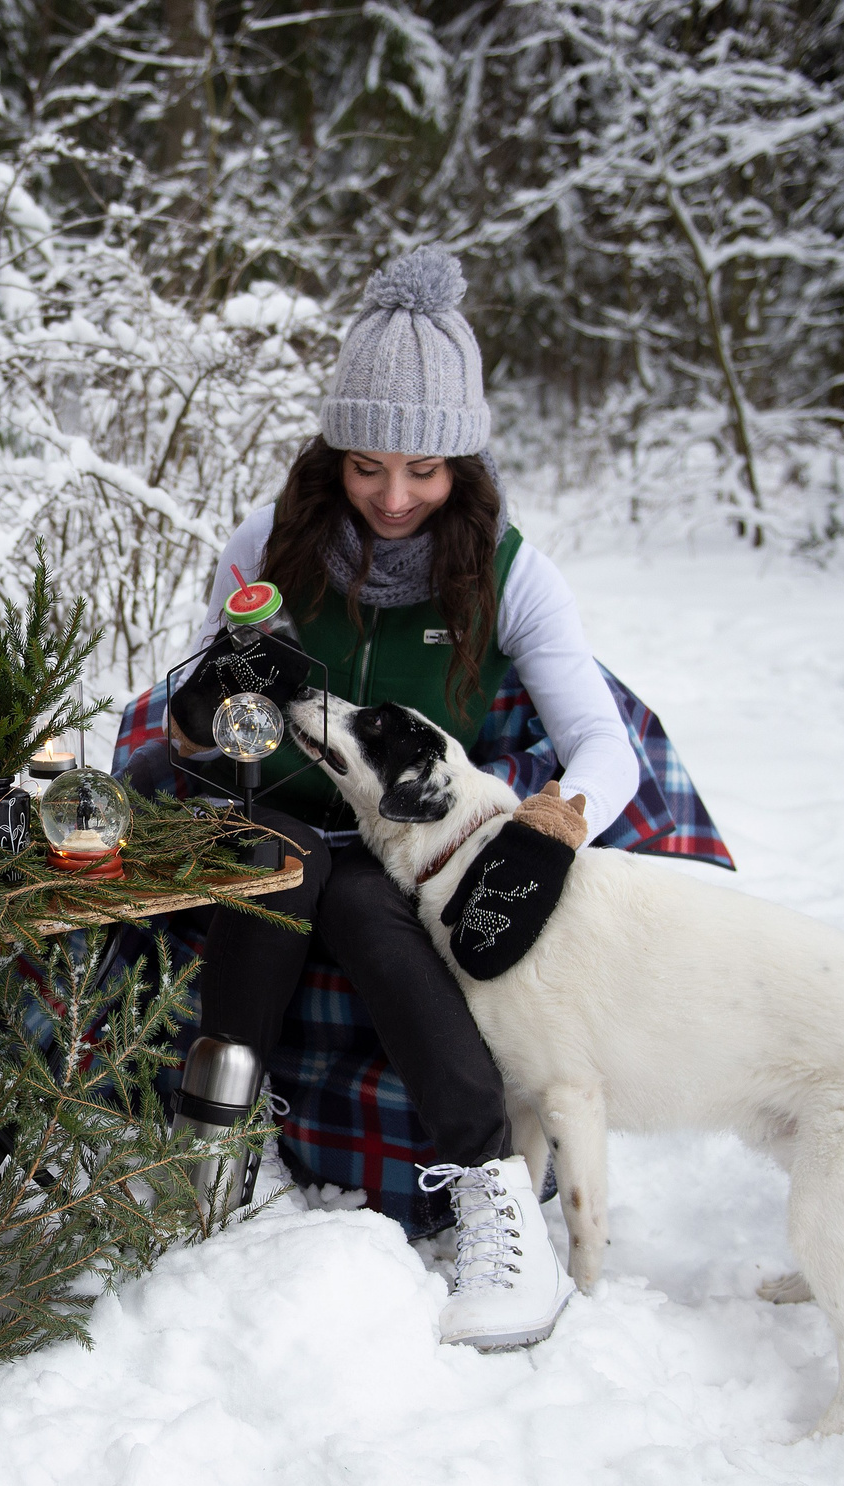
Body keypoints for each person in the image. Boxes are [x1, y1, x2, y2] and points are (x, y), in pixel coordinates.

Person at [139, 250, 636, 1354]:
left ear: (464, 458)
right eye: (367, 467)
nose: (396, 496)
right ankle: (211, 1141)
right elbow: (181, 711)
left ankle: (494, 1194)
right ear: (332, 455)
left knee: (362, 901)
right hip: (265, 806)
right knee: (286, 866)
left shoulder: (507, 572)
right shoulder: (266, 546)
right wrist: (209, 696)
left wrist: (562, 812)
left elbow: (605, 739)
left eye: (424, 469)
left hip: (399, 845)